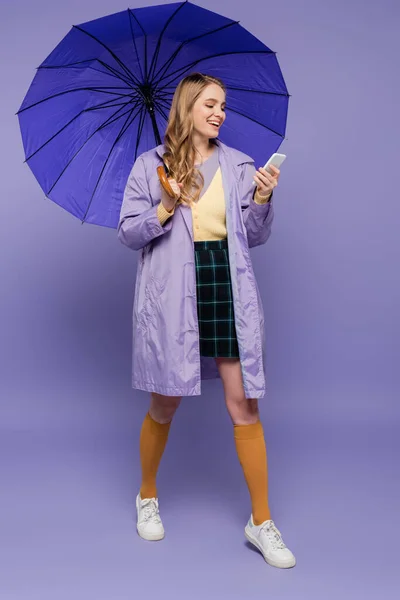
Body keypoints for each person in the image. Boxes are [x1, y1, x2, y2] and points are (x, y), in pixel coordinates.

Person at [117, 73, 296, 569]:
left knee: (244, 405)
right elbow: (129, 233)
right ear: (188, 108)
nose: (220, 113)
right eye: (211, 104)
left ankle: (261, 521)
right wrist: (166, 205)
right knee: (166, 400)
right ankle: (147, 494)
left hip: (224, 284)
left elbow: (253, 236)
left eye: (224, 105)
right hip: (174, 290)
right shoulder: (150, 166)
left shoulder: (239, 164)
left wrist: (261, 198)